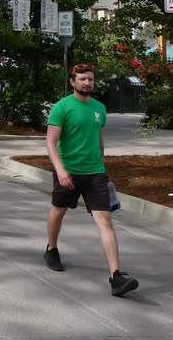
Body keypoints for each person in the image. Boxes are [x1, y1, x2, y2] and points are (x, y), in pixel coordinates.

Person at [44, 63, 139, 297]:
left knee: (105, 221)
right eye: (82, 79)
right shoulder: (62, 107)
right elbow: (51, 142)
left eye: (90, 79)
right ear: (72, 81)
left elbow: (99, 140)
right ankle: (52, 249)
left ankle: (116, 276)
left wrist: (102, 167)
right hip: (69, 171)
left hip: (95, 173)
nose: (87, 83)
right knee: (59, 210)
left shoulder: (100, 108)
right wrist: (60, 170)